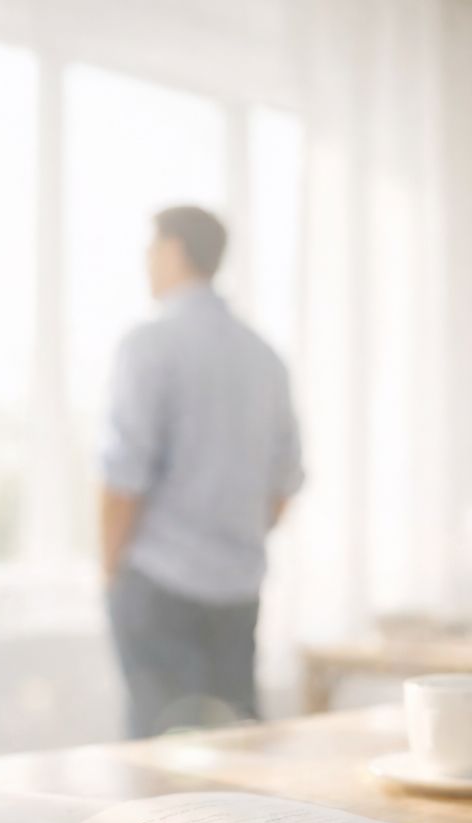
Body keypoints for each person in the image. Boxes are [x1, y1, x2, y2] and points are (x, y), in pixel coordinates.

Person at [101, 205, 304, 738]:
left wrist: (109, 571)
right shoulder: (265, 358)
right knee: (237, 754)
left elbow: (123, 477)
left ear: (172, 251)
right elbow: (286, 484)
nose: (146, 263)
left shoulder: (150, 343)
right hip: (237, 589)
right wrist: (233, 538)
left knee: (156, 766)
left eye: (150, 250)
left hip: (159, 586)